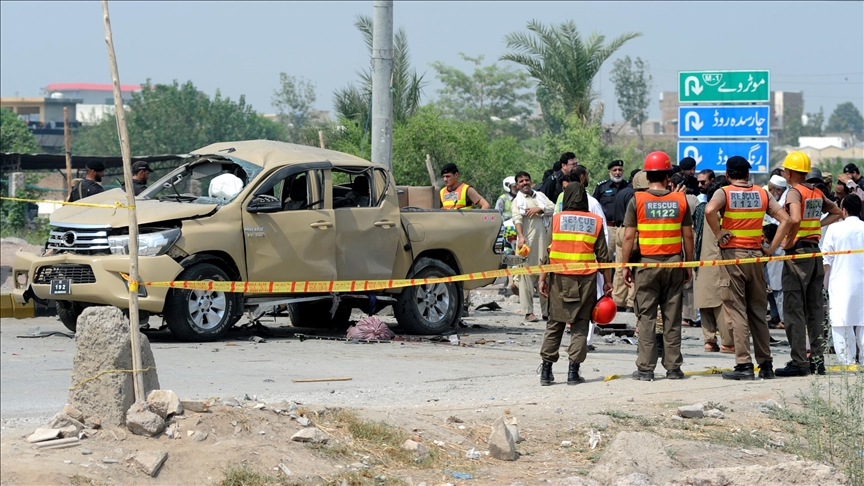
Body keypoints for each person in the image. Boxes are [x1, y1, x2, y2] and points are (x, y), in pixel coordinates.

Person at [705, 156, 791, 380]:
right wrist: (771, 248)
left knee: (737, 311)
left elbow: (709, 211)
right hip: (756, 258)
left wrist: (718, 233)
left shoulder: (724, 192)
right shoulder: (762, 194)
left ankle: (743, 364)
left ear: (728, 173)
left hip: (734, 257)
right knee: (758, 312)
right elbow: (786, 220)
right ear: (748, 174)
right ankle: (766, 365)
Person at [621, 151, 694, 381]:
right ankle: (673, 368)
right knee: (672, 318)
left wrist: (625, 266)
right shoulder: (680, 200)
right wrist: (688, 265)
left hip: (646, 266)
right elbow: (688, 236)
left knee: (646, 318)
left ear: (648, 174)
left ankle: (645, 369)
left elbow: (628, 238)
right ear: (667, 176)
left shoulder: (638, 200)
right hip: (674, 264)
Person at [537, 182, 612, 385]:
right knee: (580, 325)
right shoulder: (595, 222)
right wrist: (607, 282)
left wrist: (542, 279)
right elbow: (603, 256)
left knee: (555, 323)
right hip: (585, 280)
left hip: (559, 279)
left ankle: (546, 371)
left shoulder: (557, 219)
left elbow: (548, 252)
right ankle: (573, 372)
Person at [775, 151, 842, 377]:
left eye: (785, 170)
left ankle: (799, 362)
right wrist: (817, 226)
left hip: (798, 256)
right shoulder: (815, 192)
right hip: (815, 255)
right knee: (814, 311)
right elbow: (837, 212)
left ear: (791, 172)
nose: (784, 173)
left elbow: (793, 219)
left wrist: (789, 240)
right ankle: (817, 360)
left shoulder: (794, 192)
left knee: (794, 311)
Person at [822, 194, 864, 365]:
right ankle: (862, 362)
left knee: (840, 323)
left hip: (840, 282)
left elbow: (826, 260)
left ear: (844, 210)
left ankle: (847, 362)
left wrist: (825, 283)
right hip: (862, 282)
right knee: (863, 322)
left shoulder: (834, 229)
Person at [694, 176, 734, 353]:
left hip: (700, 261)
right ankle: (728, 342)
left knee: (705, 303)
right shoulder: (722, 212)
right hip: (719, 261)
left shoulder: (700, 209)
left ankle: (709, 341)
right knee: (722, 303)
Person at [513, 171, 555, 322]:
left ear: (531, 181)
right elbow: (517, 219)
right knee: (526, 277)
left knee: (546, 276)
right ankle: (528, 312)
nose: (525, 183)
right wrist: (521, 236)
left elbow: (553, 208)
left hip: (544, 242)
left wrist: (539, 209)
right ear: (517, 185)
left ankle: (546, 312)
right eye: (521, 181)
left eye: (526, 180)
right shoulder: (517, 201)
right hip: (527, 244)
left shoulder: (540, 197)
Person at [672, 172, 701, 327]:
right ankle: (688, 315)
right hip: (688, 237)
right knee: (688, 280)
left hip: (670, 241)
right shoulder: (691, 200)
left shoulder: (665, 200)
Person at [763, 223, 785, 329]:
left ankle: (784, 321)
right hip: (769, 279)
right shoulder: (767, 247)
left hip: (778, 279)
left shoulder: (781, 248)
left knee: (780, 300)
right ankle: (775, 317)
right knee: (772, 299)